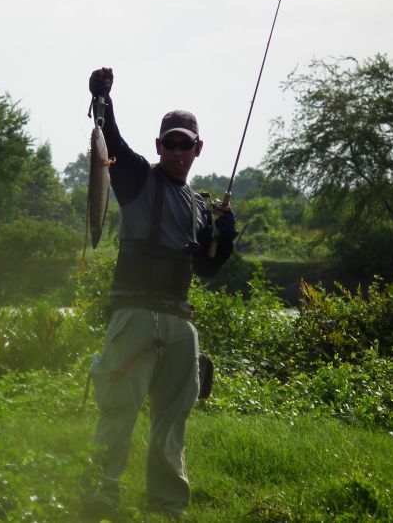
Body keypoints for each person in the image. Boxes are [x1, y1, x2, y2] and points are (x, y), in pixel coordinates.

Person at [81, 67, 237, 520]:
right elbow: (110, 138)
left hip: (179, 322)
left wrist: (224, 234)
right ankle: (101, 495)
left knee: (173, 421)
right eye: (168, 142)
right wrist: (102, 98)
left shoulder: (200, 206)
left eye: (184, 143)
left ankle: (168, 505)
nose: (176, 150)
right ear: (158, 146)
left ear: (197, 149)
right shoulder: (132, 178)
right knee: (118, 410)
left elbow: (207, 268)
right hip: (133, 316)